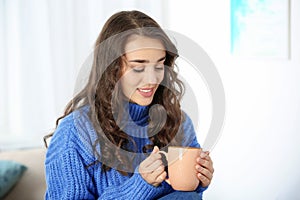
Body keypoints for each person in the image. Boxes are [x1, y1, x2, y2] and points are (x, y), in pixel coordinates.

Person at [44, 10, 214, 200]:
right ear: (111, 69)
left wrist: (199, 181)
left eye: (159, 66)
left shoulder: (179, 123)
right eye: (138, 67)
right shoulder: (74, 133)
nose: (152, 79)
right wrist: (139, 186)